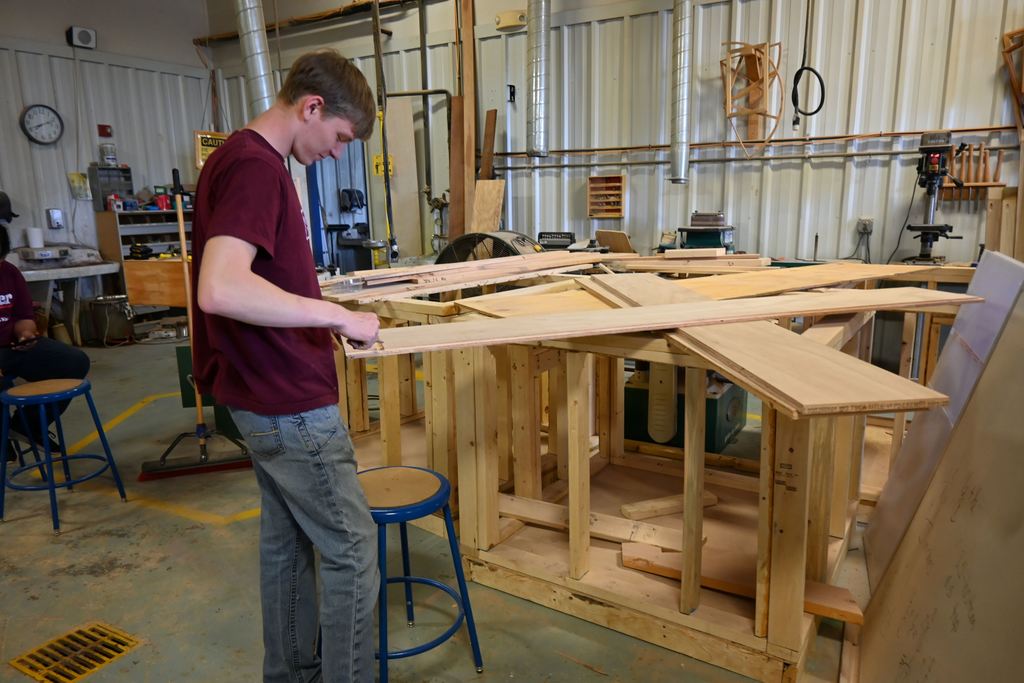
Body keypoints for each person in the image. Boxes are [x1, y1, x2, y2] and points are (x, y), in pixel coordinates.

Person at [190, 49, 382, 683]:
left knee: (287, 546)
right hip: (287, 400)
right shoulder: (255, 168)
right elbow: (219, 288)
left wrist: (315, 296)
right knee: (354, 551)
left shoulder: (239, 158)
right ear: (312, 107)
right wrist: (335, 318)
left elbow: (253, 276)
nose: (335, 152)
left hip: (257, 394)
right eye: (339, 137)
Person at [0, 223, 90, 457]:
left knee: (73, 362)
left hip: (12, 346)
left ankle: (26, 426)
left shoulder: (9, 272)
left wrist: (26, 333)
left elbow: (23, 317)